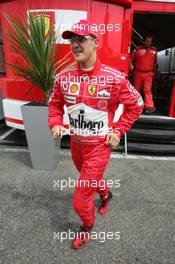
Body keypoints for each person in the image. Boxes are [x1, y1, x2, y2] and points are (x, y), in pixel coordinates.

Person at [48, 19, 144, 250]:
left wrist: (118, 129)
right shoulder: (63, 77)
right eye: (72, 40)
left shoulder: (114, 78)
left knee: (80, 198)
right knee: (89, 178)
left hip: (99, 147)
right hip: (76, 146)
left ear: (95, 42)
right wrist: (55, 123)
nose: (75, 44)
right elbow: (54, 105)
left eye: (81, 39)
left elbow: (137, 104)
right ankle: (106, 194)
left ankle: (86, 227)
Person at [130, 34, 157, 114]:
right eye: (147, 41)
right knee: (136, 90)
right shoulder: (137, 50)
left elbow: (155, 63)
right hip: (138, 72)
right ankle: (133, 106)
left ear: (151, 42)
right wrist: (130, 67)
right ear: (144, 41)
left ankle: (149, 107)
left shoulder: (154, 51)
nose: (148, 43)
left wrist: (154, 73)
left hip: (149, 73)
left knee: (147, 90)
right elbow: (130, 59)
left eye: (150, 42)